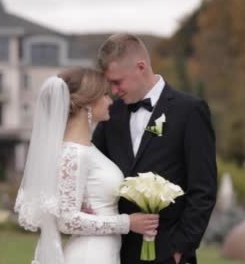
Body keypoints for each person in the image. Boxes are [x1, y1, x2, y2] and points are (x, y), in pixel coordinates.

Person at [92, 33, 217, 264]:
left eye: (117, 81)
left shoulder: (190, 111)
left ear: (141, 67)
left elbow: (204, 189)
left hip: (170, 253)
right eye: (109, 83)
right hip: (116, 252)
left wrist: (179, 249)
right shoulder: (111, 115)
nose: (113, 90)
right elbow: (93, 169)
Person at [15, 67, 159, 264]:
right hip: (90, 254)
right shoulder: (74, 153)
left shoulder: (87, 148)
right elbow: (67, 220)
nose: (110, 101)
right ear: (87, 104)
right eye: (104, 95)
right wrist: (127, 222)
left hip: (102, 251)